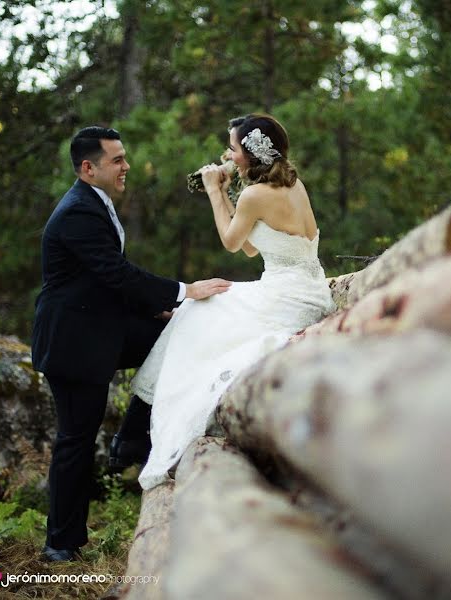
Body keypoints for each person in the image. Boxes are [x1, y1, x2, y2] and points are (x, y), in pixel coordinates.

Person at [31, 127, 231, 562]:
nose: (126, 167)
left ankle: (134, 437)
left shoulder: (94, 203)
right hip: (73, 343)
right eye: (117, 160)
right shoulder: (76, 214)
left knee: (176, 331)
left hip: (102, 326)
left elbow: (107, 279)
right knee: (76, 440)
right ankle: (60, 544)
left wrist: (158, 312)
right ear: (89, 168)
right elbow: (116, 274)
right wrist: (185, 290)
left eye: (124, 157)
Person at [132, 113, 336, 490]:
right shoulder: (292, 184)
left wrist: (213, 190)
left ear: (251, 153)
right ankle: (135, 428)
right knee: (205, 304)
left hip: (285, 297)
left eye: (232, 148)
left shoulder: (257, 195)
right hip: (307, 290)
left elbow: (230, 243)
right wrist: (228, 194)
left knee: (197, 308)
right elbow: (249, 248)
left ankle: (139, 428)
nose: (227, 154)